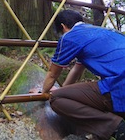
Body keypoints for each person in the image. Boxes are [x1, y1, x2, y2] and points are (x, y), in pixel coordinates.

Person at [32, 9, 125, 140]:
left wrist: (43, 92)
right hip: (120, 83)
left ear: (63, 26)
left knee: (56, 99)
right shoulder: (103, 31)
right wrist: (64, 90)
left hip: (120, 85)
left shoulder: (70, 36)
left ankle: (116, 127)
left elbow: (52, 74)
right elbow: (77, 70)